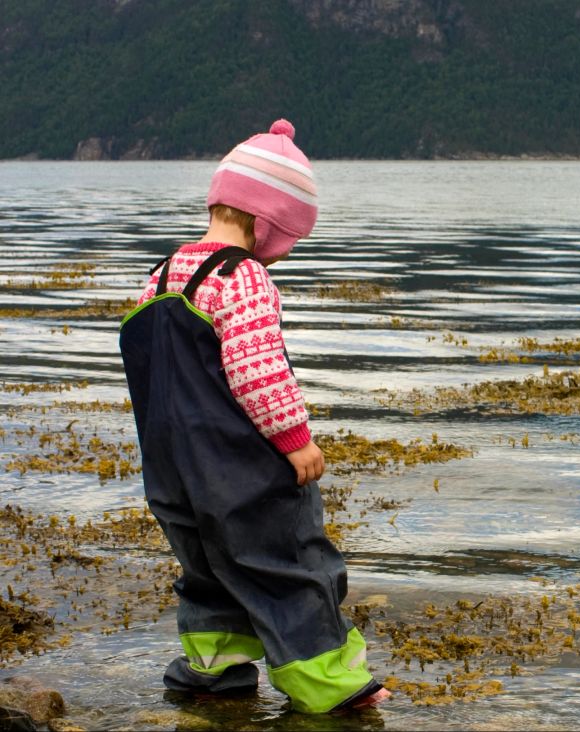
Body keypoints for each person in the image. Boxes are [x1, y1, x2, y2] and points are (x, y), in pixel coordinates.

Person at [119, 119, 389, 713]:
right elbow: (257, 371)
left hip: (171, 472)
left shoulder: (160, 277)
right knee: (289, 566)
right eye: (290, 238)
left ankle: (213, 674)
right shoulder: (242, 279)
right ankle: (332, 687)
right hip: (241, 469)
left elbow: (152, 374)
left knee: (207, 569)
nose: (286, 251)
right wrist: (295, 442)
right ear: (265, 225)